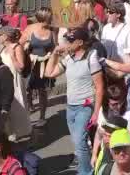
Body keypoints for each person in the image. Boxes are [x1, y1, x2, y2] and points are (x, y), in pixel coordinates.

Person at [42, 27, 104, 175]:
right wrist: (54, 55)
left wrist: (96, 112)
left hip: (85, 106)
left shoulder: (91, 58)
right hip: (70, 107)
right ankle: (89, 165)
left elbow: (100, 87)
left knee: (79, 142)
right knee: (78, 143)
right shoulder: (69, 59)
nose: (67, 43)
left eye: (71, 41)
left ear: (80, 42)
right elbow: (48, 73)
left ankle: (86, 172)